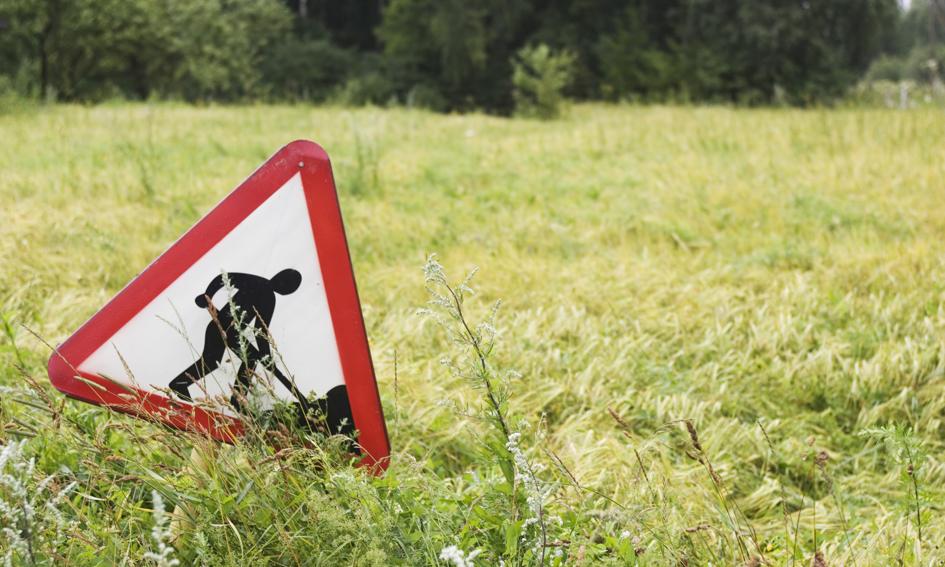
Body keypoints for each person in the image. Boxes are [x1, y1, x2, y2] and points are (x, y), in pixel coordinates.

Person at [168, 268, 310, 413]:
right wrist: (207, 296)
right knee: (218, 362)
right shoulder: (266, 295)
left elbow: (260, 331)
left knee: (233, 361)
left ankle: (236, 399)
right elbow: (260, 330)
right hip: (221, 328)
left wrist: (208, 294)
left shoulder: (258, 283)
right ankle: (184, 385)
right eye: (290, 287)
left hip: (224, 330)